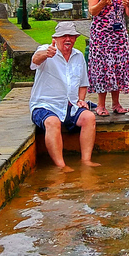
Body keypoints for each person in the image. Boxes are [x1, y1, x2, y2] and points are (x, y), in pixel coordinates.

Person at [29, 21, 101, 171]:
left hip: (70, 105)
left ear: (75, 38)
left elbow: (83, 83)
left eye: (71, 36)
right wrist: (46, 54)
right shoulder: (46, 50)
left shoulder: (79, 56)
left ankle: (86, 161)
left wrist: (81, 100)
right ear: (55, 38)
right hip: (45, 105)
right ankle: (61, 165)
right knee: (53, 122)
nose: (68, 39)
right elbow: (35, 60)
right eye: (64, 36)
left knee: (89, 117)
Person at [87, 0, 129, 116]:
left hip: (119, 38)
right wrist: (102, 3)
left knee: (117, 68)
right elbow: (92, 11)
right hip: (101, 38)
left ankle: (116, 103)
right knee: (103, 68)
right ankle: (101, 105)